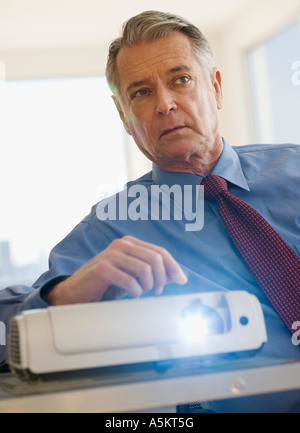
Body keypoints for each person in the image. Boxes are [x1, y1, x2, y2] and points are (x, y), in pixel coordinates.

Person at [1, 10, 300, 412]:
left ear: (215, 87)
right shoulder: (110, 229)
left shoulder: (294, 169)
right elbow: (7, 329)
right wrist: (65, 296)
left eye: (180, 79)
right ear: (124, 116)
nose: (165, 104)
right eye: (140, 92)